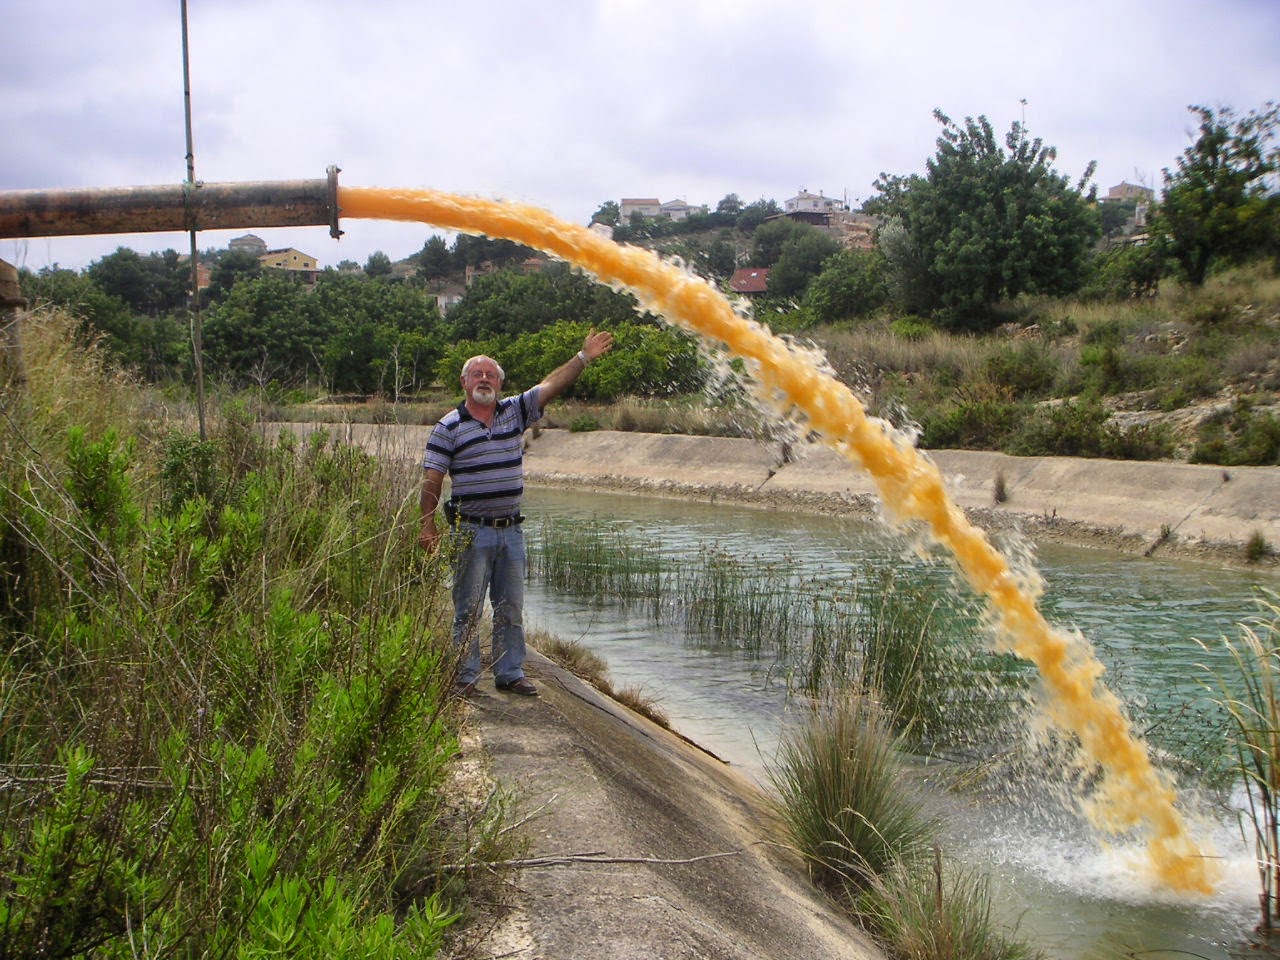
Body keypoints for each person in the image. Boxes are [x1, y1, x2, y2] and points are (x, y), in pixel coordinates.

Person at [420, 331, 615, 697]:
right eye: (476, 374)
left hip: (511, 531)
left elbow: (551, 385)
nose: (484, 380)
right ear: (463, 382)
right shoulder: (448, 427)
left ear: (500, 383)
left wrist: (583, 357)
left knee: (510, 607)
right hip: (469, 531)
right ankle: (465, 677)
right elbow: (432, 478)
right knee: (467, 610)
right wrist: (426, 525)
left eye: (490, 375)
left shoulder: (514, 411)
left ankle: (509, 672)